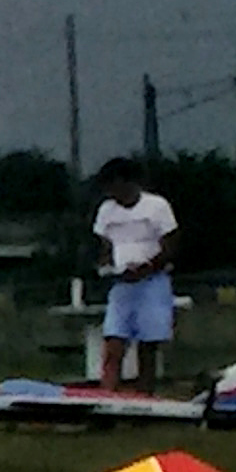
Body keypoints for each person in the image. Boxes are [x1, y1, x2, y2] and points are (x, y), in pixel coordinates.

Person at [92, 158, 179, 392]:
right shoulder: (107, 211)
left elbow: (170, 246)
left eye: (114, 186)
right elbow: (105, 246)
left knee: (147, 345)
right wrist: (106, 267)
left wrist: (146, 268)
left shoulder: (156, 207)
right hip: (122, 285)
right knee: (113, 342)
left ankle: (144, 398)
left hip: (152, 282)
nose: (111, 193)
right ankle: (107, 397)